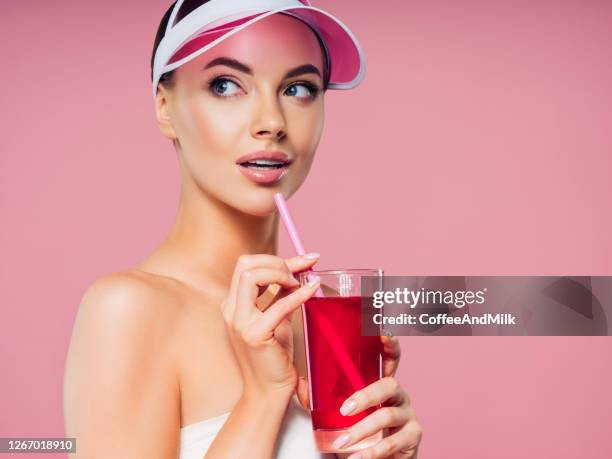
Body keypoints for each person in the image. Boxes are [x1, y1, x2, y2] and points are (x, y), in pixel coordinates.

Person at [63, 1, 423, 458]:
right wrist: (262, 397)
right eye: (226, 84)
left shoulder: (332, 316)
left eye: (298, 88)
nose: (272, 122)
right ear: (165, 107)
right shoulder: (127, 310)